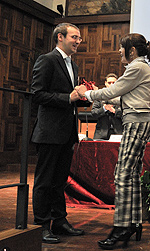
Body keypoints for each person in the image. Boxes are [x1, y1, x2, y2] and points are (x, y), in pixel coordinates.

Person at [75, 33, 150, 250]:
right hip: (140, 121)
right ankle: (134, 222)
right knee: (131, 175)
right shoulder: (142, 67)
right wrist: (93, 95)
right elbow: (121, 96)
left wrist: (88, 93)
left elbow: (114, 90)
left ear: (131, 51)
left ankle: (121, 226)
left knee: (122, 175)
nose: (119, 51)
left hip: (136, 122)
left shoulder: (137, 67)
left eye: (122, 48)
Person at [30, 23, 85, 244]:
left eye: (79, 38)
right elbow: (38, 94)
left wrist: (81, 97)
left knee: (59, 181)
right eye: (74, 37)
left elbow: (69, 97)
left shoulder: (74, 64)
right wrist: (68, 98)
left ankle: (59, 221)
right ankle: (41, 225)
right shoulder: (47, 60)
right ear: (60, 37)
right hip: (49, 132)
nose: (78, 41)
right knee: (44, 181)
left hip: (66, 132)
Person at [91, 73, 123, 140]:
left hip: (119, 134)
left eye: (114, 82)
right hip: (101, 134)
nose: (111, 85)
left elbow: (127, 113)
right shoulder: (99, 96)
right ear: (105, 83)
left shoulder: (122, 97)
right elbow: (94, 113)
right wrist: (104, 109)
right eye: (109, 83)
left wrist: (115, 111)